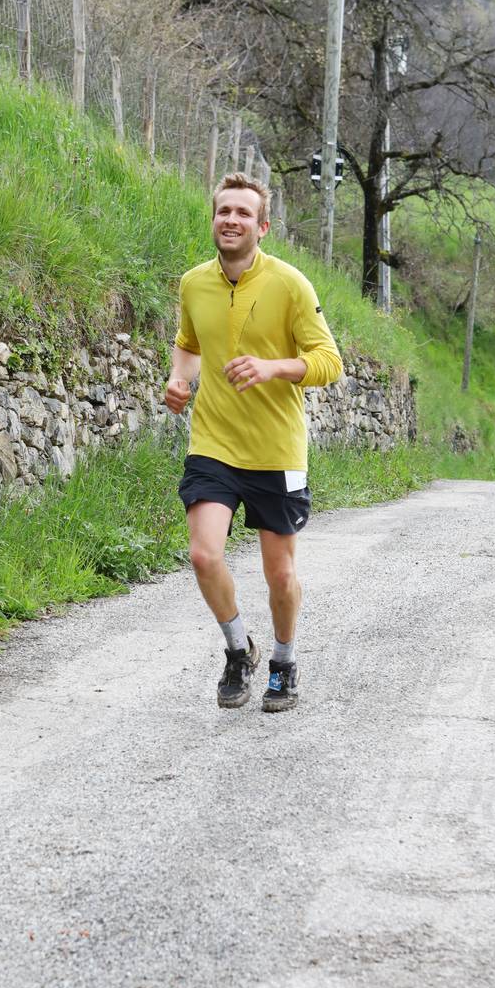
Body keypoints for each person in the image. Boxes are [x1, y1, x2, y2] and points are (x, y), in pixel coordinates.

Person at [165, 172, 343, 712]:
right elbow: (188, 343)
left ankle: (283, 662)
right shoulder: (194, 283)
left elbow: (329, 362)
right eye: (224, 211)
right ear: (213, 219)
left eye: (244, 213)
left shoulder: (290, 284)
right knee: (203, 555)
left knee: (280, 574)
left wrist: (273, 367)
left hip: (275, 450)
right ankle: (238, 650)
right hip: (213, 442)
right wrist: (180, 380)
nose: (232, 220)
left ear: (262, 227)